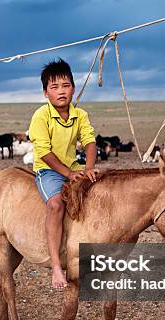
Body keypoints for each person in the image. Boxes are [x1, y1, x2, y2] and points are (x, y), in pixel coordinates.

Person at [28, 58, 97, 289]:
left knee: (101, 190)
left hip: (73, 168)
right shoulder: (41, 116)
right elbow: (45, 152)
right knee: (56, 204)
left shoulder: (80, 115)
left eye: (65, 86)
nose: (61, 92)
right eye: (54, 87)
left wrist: (88, 168)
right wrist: (68, 174)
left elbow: (89, 142)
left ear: (73, 88)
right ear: (46, 92)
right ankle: (57, 266)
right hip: (48, 171)